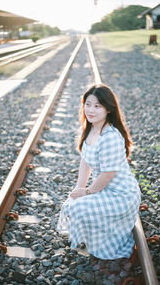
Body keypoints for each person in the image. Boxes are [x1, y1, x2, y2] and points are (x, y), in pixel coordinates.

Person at [57, 83, 141, 260]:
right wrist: (79, 188)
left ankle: (109, 245)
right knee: (70, 204)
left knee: (79, 208)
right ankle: (96, 239)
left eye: (97, 106)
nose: (91, 110)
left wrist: (87, 192)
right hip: (104, 189)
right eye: (88, 104)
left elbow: (107, 174)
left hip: (121, 194)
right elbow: (85, 162)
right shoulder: (90, 129)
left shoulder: (110, 137)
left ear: (108, 109)